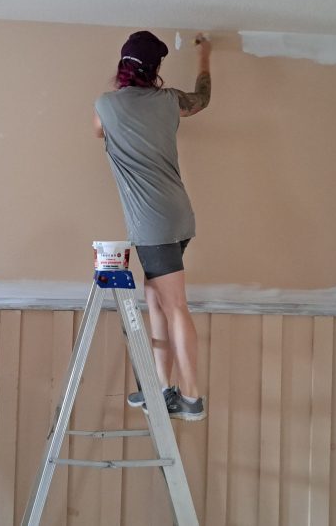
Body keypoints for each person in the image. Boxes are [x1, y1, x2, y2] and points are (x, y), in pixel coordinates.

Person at [93, 30, 212, 421]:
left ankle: (191, 398)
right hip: (179, 216)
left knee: (175, 304)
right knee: (154, 297)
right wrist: (204, 57)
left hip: (152, 224)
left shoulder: (106, 105)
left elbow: (98, 131)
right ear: (156, 70)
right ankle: (160, 388)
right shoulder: (169, 101)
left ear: (122, 67)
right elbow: (202, 99)